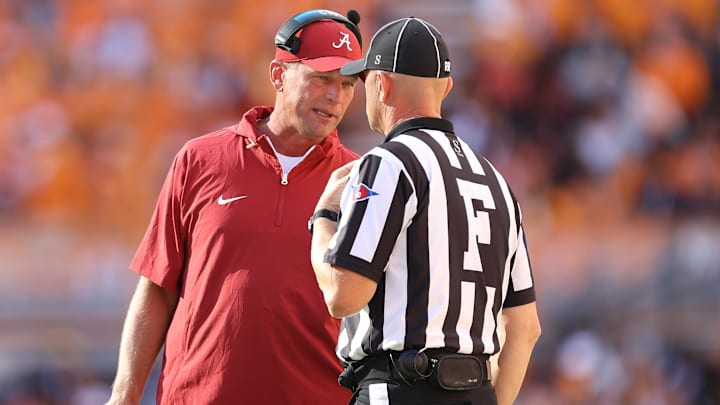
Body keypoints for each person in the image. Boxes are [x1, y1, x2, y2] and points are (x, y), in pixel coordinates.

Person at [105, 9, 365, 405]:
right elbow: (158, 288)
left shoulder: (362, 179)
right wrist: (124, 394)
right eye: (321, 79)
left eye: (348, 84)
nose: (336, 96)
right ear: (278, 75)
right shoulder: (200, 158)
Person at [309, 17, 542, 405]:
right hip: (476, 390)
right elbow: (525, 328)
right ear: (447, 87)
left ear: (381, 84)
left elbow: (343, 294)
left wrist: (323, 221)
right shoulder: (496, 180)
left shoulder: (388, 162)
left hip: (398, 388)